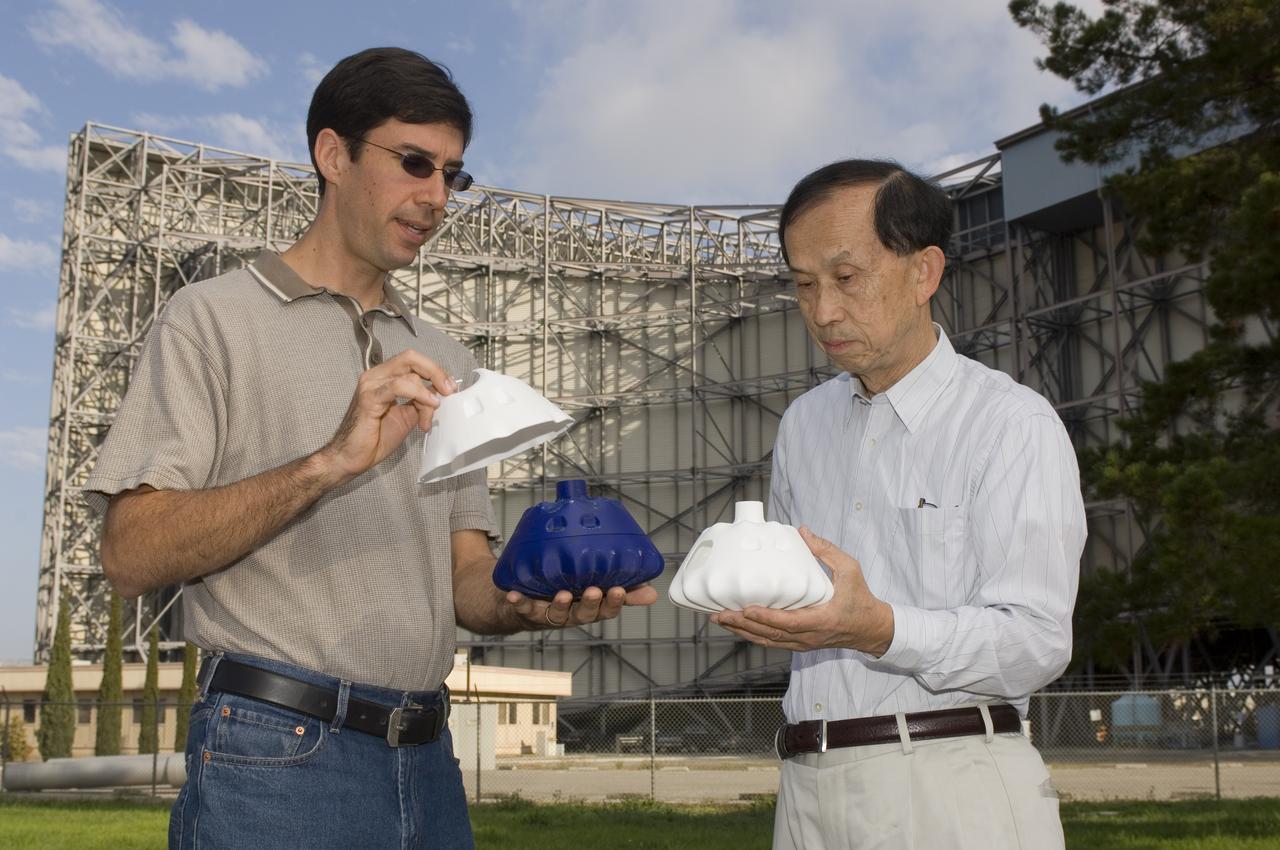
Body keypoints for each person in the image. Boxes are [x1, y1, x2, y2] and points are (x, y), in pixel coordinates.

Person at [85, 47, 657, 850]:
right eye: (414, 163)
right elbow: (129, 554)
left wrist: (529, 600)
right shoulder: (210, 319)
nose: (436, 197)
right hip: (273, 752)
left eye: (452, 175)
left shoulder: (444, 357)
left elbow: (464, 579)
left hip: (427, 755)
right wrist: (328, 464)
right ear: (333, 155)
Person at [712, 159, 1084, 850]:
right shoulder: (804, 425)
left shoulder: (1009, 424)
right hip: (805, 790)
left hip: (951, 789)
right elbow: (810, 603)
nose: (822, 311)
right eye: (803, 285)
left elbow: (1035, 641)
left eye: (847, 278)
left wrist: (879, 627)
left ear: (924, 272)